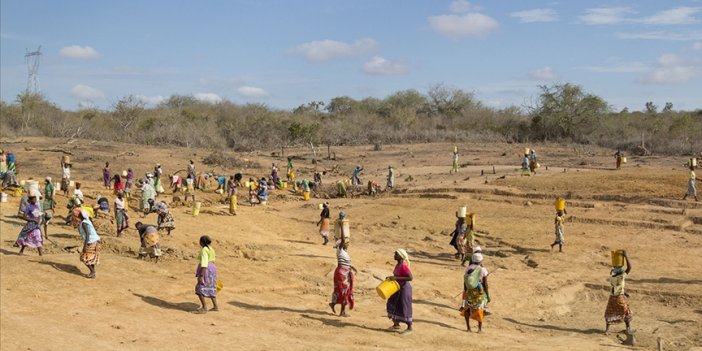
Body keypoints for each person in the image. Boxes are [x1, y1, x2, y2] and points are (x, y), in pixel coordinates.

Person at [605, 251, 633, 335]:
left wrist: (624, 292)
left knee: (609, 312)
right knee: (626, 311)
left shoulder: (612, 277)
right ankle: (628, 329)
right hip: (618, 298)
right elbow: (629, 267)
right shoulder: (621, 276)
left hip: (612, 297)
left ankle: (607, 330)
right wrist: (626, 256)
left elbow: (616, 287)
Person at [386, 249, 413, 335]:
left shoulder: (403, 266)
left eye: (396, 254)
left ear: (400, 256)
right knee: (393, 304)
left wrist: (396, 278)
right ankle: (396, 324)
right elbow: (397, 275)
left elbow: (410, 277)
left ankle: (409, 328)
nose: (394, 255)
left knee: (404, 307)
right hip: (397, 288)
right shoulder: (398, 265)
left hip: (404, 289)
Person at [462, 252, 489, 333]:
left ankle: (468, 328)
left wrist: (465, 291)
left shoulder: (468, 268)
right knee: (480, 308)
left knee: (467, 308)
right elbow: (485, 284)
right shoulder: (483, 269)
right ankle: (479, 329)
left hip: (469, 291)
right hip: (479, 293)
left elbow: (465, 280)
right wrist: (487, 295)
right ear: (480, 261)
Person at [329, 238, 356, 317]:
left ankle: (334, 304)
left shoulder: (345, 252)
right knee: (344, 291)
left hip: (345, 273)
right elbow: (342, 241)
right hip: (341, 274)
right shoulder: (340, 250)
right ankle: (342, 311)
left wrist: (352, 268)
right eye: (345, 243)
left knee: (342, 291)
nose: (347, 244)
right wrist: (343, 232)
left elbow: (346, 263)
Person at [195, 235, 219, 313]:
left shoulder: (204, 250)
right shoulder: (211, 248)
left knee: (200, 288)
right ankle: (215, 306)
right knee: (211, 287)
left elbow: (204, 263)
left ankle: (204, 307)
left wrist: (201, 275)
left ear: (201, 242)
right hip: (212, 268)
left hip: (206, 269)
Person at [78, 209, 101, 278]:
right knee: (91, 258)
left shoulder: (84, 223)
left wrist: (85, 246)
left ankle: (92, 271)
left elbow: (87, 234)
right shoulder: (87, 221)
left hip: (91, 241)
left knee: (84, 257)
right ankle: (92, 273)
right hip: (95, 240)